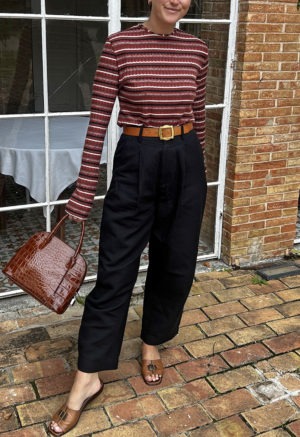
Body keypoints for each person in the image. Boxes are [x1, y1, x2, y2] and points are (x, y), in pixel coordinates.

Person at [49, 0, 208, 435]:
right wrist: (83, 191)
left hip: (186, 159)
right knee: (115, 270)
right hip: (136, 158)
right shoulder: (120, 46)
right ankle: (88, 375)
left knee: (175, 264)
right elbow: (98, 123)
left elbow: (199, 114)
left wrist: (200, 173)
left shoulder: (197, 50)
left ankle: (152, 342)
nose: (177, 1)